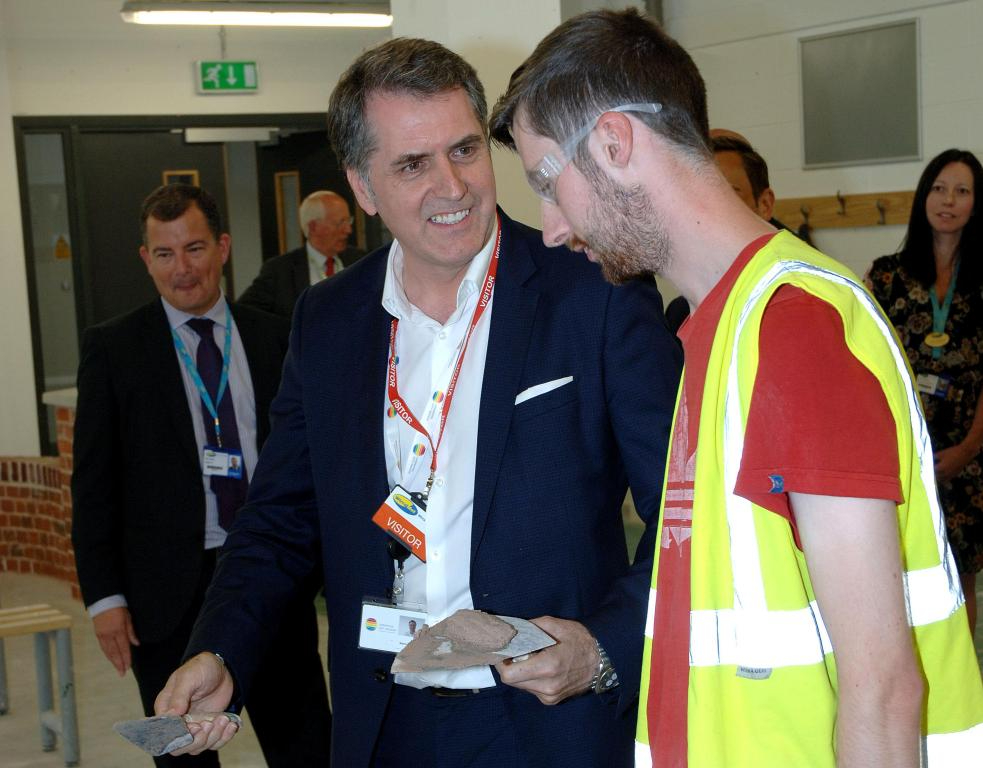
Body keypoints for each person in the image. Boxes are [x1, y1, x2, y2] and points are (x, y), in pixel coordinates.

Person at [153, 38, 680, 768]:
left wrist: (604, 647)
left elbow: (684, 514)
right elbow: (279, 519)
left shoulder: (590, 292)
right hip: (383, 722)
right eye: (412, 164)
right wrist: (222, 647)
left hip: (548, 723)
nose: (452, 185)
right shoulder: (329, 321)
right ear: (362, 187)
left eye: (464, 150)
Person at [489, 8, 983, 767]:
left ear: (616, 144)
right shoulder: (716, 332)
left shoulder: (792, 328)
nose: (548, 226)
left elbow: (883, 690)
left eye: (548, 184)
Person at [70, 184, 332, 767]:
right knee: (183, 757)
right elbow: (93, 486)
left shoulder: (276, 336)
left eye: (193, 249)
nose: (181, 269)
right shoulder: (114, 350)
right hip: (162, 596)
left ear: (223, 246)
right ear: (145, 258)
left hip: (269, 581)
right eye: (163, 254)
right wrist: (104, 598)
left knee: (308, 745)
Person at [868, 148, 983, 640]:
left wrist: (970, 448)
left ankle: (964, 691)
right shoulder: (887, 275)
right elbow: (868, 363)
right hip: (900, 452)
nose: (948, 200)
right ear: (923, 197)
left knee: (962, 578)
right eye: (939, 188)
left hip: (966, 453)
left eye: (962, 191)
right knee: (901, 575)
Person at [665, 132, 784, 333]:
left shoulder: (798, 298)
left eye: (726, 197)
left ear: (764, 204)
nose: (705, 215)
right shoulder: (680, 313)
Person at [238, 190, 363, 318]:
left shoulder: (361, 261)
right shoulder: (279, 271)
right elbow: (244, 313)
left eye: (349, 221)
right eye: (340, 223)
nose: (348, 230)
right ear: (314, 227)